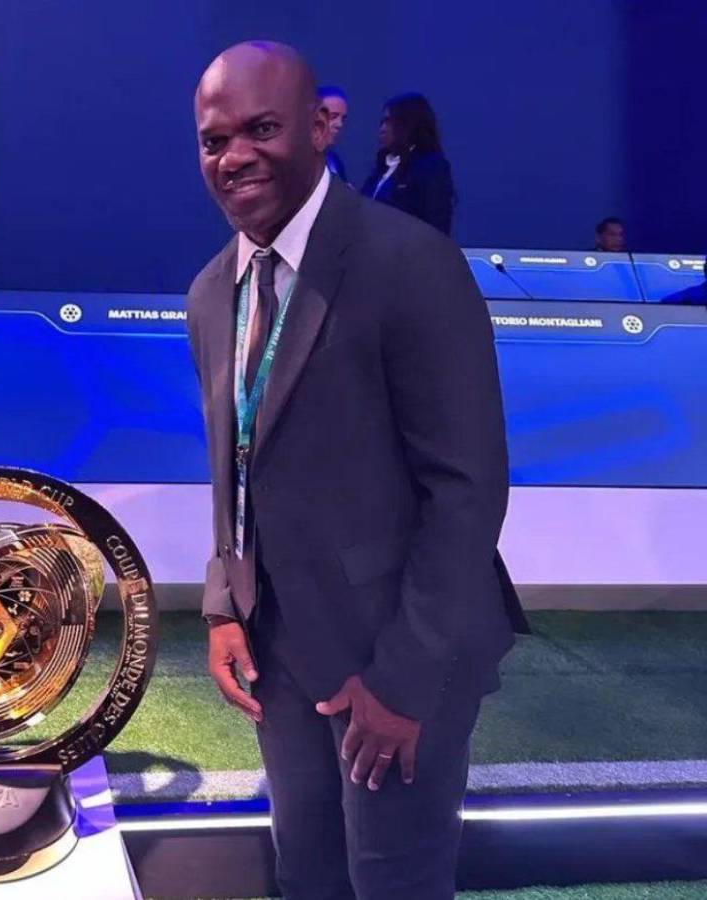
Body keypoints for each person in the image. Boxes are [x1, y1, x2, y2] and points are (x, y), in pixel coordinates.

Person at [187, 42, 527, 899]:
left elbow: (467, 488)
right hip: (280, 655)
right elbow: (236, 465)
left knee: (392, 882)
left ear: (318, 129)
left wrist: (403, 680)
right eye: (214, 140)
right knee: (307, 874)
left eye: (261, 129)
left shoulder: (408, 262)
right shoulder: (211, 292)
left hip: (399, 656)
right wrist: (225, 602)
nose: (235, 156)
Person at [361, 92, 454, 234]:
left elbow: (437, 226)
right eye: (382, 122)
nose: (382, 129)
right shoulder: (381, 169)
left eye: (389, 122)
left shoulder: (430, 168)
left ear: (408, 124)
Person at [317, 84, 348, 183]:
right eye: (333, 117)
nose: (339, 124)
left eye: (343, 119)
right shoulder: (295, 159)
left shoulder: (334, 162)